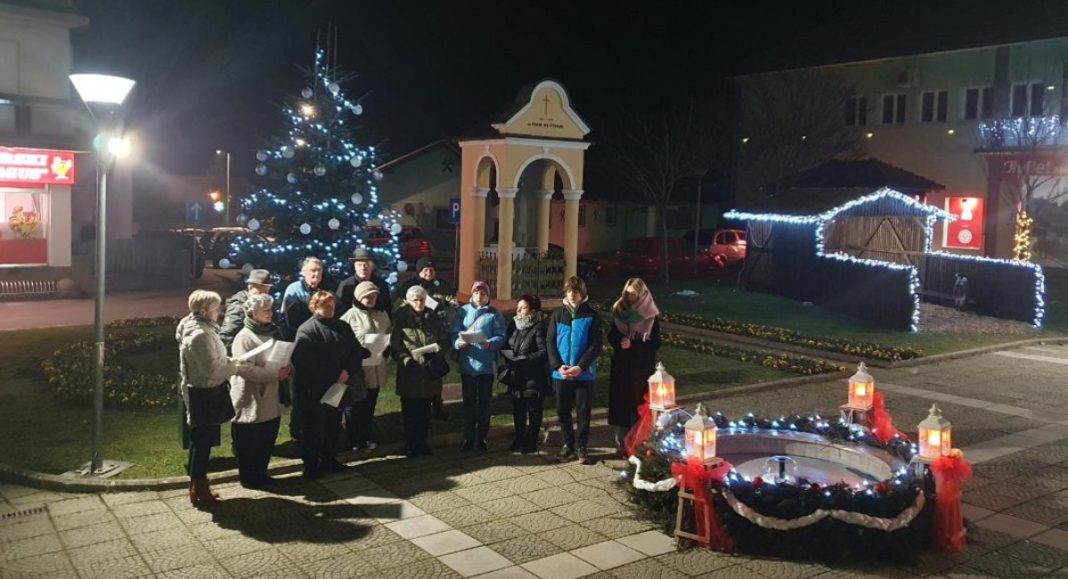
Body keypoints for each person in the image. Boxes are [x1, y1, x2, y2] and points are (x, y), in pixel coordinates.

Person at [176, 290, 253, 507]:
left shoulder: (202, 328)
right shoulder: (199, 334)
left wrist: (232, 360)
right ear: (204, 310)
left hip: (205, 389)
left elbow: (216, 358)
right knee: (202, 443)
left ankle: (197, 486)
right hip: (204, 393)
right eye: (216, 308)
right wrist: (236, 367)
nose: (219, 312)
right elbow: (212, 369)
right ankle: (199, 487)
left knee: (201, 441)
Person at [290, 291, 367, 479]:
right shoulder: (307, 330)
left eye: (333, 306)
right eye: (326, 306)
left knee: (333, 424)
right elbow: (305, 362)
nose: (331, 309)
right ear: (315, 307)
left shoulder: (342, 326)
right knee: (314, 428)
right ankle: (311, 465)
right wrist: (334, 374)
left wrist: (347, 371)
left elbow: (356, 351)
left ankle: (330, 459)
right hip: (314, 389)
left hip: (339, 385)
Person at [229, 293, 290, 488]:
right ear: (252, 312)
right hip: (251, 397)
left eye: (271, 309)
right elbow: (244, 368)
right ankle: (249, 477)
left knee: (266, 437)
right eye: (266, 310)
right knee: (249, 441)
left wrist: (287, 368)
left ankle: (261, 473)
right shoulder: (244, 337)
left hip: (271, 395)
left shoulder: (273, 331)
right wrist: (273, 374)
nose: (270, 313)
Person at [547, 276, 602, 465]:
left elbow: (596, 345)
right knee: (562, 411)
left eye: (576, 291)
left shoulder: (591, 315)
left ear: (582, 293)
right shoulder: (557, 314)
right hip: (561, 374)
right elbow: (550, 342)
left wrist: (581, 366)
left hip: (583, 374)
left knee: (583, 413)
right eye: (569, 291)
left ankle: (581, 447)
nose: (572, 294)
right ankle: (568, 445)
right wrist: (557, 365)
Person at [391, 285, 449, 457]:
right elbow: (396, 345)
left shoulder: (433, 317)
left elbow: (443, 338)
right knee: (410, 412)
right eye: (415, 300)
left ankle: (422, 443)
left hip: (429, 372)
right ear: (408, 301)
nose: (419, 303)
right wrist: (407, 360)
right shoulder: (400, 318)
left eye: (422, 299)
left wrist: (438, 352)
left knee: (425, 412)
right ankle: (411, 444)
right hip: (410, 372)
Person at [607, 278, 661, 456]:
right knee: (621, 402)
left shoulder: (650, 313)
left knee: (637, 403)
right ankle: (622, 442)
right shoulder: (619, 309)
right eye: (628, 292)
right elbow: (611, 334)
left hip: (641, 366)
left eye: (633, 293)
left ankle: (639, 442)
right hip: (622, 364)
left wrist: (635, 344)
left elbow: (655, 342)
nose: (630, 296)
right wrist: (619, 341)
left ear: (642, 294)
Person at [396, 257, 454, 422]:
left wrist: (441, 304)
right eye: (425, 270)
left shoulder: (441, 285)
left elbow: (452, 301)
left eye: (431, 270)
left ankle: (437, 408)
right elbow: (399, 304)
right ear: (419, 271)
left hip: (434, 327)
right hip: (415, 331)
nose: (428, 273)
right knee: (414, 381)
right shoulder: (409, 286)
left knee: (434, 375)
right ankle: (410, 413)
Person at [452, 281, 506, 452]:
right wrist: (458, 342)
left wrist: (488, 343)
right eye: (476, 293)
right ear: (471, 294)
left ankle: (482, 437)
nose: (479, 296)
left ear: (487, 296)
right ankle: (468, 438)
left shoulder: (494, 314)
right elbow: (454, 332)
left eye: (483, 294)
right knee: (468, 403)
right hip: (467, 364)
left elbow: (501, 335)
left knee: (484, 404)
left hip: (485, 365)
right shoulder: (462, 312)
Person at [339, 281, 392, 451]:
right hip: (358, 370)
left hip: (376, 368)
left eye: (374, 296)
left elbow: (389, 335)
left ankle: (366, 436)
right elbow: (342, 342)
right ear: (359, 296)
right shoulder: (349, 317)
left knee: (369, 406)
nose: (371, 299)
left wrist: (386, 349)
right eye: (367, 296)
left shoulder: (382, 315)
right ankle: (354, 439)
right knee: (355, 406)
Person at [281, 256, 324, 442]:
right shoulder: (294, 291)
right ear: (303, 272)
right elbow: (292, 323)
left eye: (319, 270)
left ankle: (318, 427)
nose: (316, 274)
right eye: (312, 270)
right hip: (300, 350)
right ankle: (298, 431)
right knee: (300, 391)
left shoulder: (325, 290)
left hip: (321, 351)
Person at [502, 294, 548, 454]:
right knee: (518, 408)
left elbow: (543, 352)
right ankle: (519, 437)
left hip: (532, 375)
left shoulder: (539, 327)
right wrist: (507, 355)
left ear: (533, 311)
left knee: (533, 409)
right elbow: (505, 344)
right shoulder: (513, 326)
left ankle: (532, 441)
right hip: (516, 375)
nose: (519, 311)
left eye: (524, 308)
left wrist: (525, 358)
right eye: (518, 308)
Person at [219, 269, 274, 352]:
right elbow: (226, 336)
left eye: (267, 291)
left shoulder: (266, 304)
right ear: (250, 287)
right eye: (261, 292)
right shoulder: (239, 307)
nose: (264, 295)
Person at [336, 248, 391, 318]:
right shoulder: (346, 285)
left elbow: (387, 308)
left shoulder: (382, 285)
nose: (363, 268)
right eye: (359, 265)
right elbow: (340, 310)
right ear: (354, 267)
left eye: (366, 264)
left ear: (373, 267)